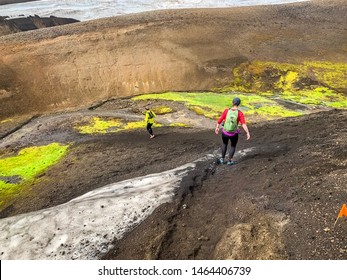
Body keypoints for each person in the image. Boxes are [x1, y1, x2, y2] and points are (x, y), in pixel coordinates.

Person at [215, 97, 250, 165]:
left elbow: (220, 119)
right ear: (238, 104)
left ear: (232, 103)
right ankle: (229, 161)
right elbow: (243, 124)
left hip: (225, 132)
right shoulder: (240, 113)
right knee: (233, 146)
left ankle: (222, 159)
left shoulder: (226, 111)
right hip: (233, 134)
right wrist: (247, 132)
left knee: (224, 144)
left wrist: (217, 127)